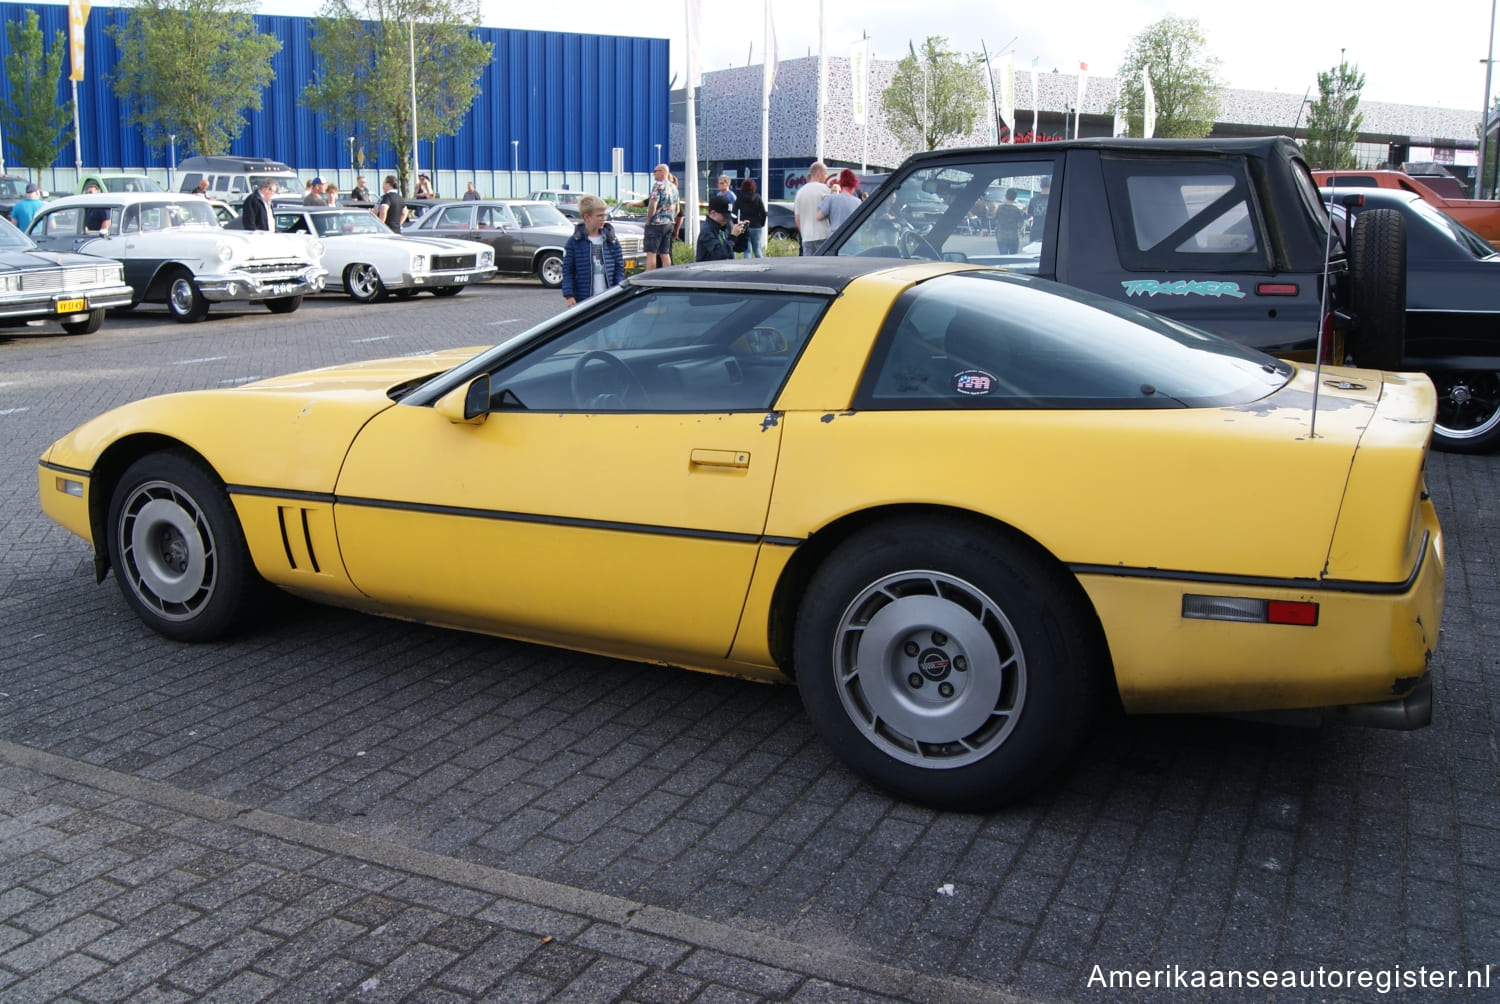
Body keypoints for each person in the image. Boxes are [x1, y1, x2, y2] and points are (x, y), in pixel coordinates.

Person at [561, 195, 625, 308]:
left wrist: (618, 290)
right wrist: (569, 295)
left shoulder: (612, 240)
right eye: (599, 216)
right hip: (584, 299)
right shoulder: (574, 242)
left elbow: (619, 268)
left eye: (604, 215)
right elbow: (568, 271)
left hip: (608, 297)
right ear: (587, 217)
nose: (603, 219)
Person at [640, 163, 678, 270]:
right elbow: (677, 209)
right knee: (665, 252)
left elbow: (653, 204)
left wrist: (648, 220)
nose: (653, 174)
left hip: (656, 223)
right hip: (669, 223)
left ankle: (648, 278)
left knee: (651, 253)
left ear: (662, 172)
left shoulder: (658, 185)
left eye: (655, 171)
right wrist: (670, 218)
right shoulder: (674, 187)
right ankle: (667, 277)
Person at [794, 161, 831, 255]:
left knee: (810, 267)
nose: (826, 176)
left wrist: (804, 233)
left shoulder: (800, 192)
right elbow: (830, 211)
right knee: (824, 267)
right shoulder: (824, 189)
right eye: (825, 173)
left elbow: (797, 219)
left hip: (807, 237)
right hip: (823, 235)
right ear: (819, 173)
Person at [695, 193, 747, 261]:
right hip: (708, 269)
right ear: (713, 213)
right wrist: (732, 236)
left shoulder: (724, 227)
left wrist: (742, 233)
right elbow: (719, 254)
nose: (727, 219)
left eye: (728, 217)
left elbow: (738, 248)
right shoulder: (707, 231)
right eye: (724, 216)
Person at [817, 169, 862, 238]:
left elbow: (819, 216)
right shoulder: (858, 202)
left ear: (841, 183)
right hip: (853, 237)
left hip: (835, 237)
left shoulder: (831, 198)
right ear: (854, 185)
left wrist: (831, 213)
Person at [735, 178, 767, 257]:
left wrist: (737, 223)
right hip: (756, 226)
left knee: (747, 250)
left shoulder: (740, 197)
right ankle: (761, 266)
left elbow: (734, 212)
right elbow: (763, 213)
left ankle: (747, 267)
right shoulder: (757, 197)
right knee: (757, 249)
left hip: (744, 225)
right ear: (753, 187)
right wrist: (761, 223)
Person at [993, 187, 1027, 254]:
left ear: (1006, 196)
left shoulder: (1000, 208)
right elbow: (1019, 225)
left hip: (1001, 237)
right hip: (1013, 237)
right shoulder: (1017, 210)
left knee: (1003, 258)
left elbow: (996, 221)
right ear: (1015, 197)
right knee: (1012, 258)